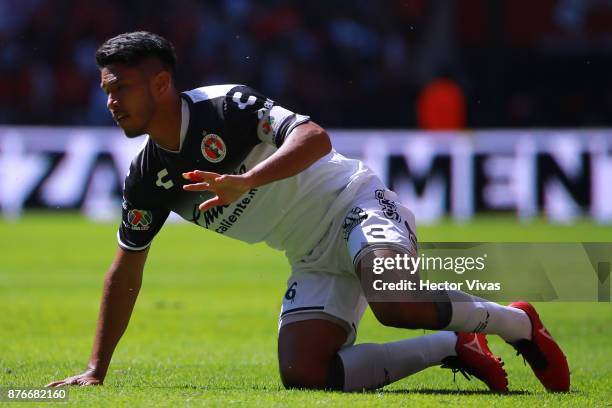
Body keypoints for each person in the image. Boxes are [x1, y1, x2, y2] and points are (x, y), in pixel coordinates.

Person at [46, 31, 569, 392]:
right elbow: (127, 266)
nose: (111, 101)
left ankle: (517, 323)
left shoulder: (225, 107)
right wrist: (97, 368)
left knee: (392, 300)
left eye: (122, 88)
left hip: (357, 205)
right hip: (311, 257)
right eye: (107, 90)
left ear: (161, 83)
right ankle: (453, 346)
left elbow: (315, 138)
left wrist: (246, 181)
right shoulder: (146, 178)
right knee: (304, 374)